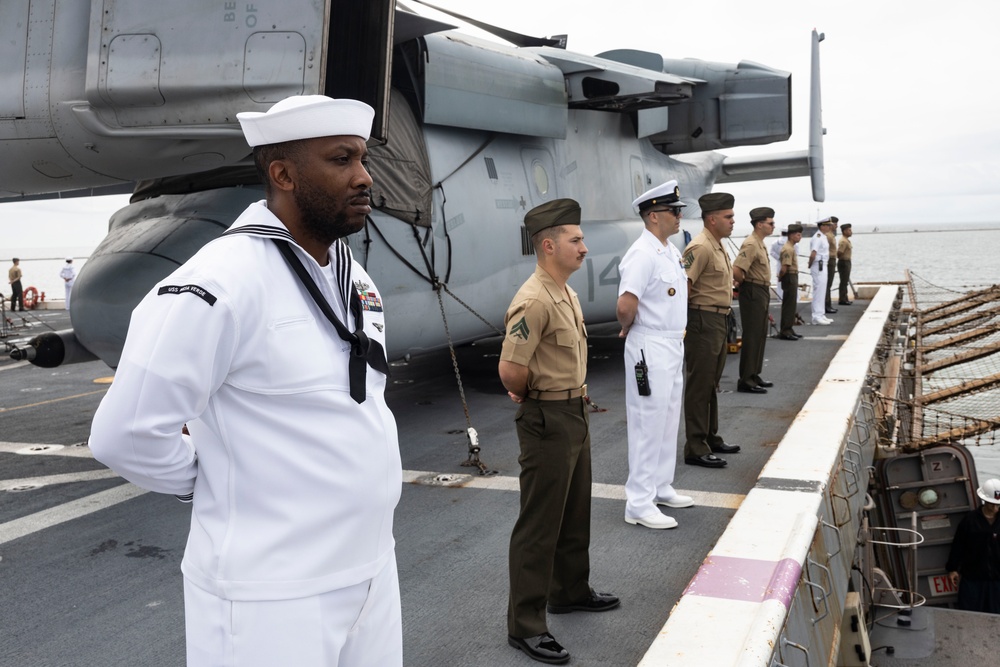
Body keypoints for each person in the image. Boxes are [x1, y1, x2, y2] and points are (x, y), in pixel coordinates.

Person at [89, 95, 403, 667]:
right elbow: (126, 433)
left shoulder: (349, 274)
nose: (364, 177)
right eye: (341, 160)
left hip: (371, 570)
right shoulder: (219, 281)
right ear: (282, 174)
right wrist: (218, 484)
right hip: (270, 596)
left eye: (362, 158)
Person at [499, 198, 619, 664]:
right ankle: (525, 625)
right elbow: (511, 371)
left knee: (573, 511)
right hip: (548, 418)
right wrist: (537, 396)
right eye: (576, 240)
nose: (585, 248)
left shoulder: (563, 291)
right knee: (539, 523)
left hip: (574, 411)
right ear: (549, 246)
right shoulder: (533, 298)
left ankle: (569, 590)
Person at [617, 180, 694, 530]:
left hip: (672, 343)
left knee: (667, 418)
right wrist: (628, 328)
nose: (679, 216)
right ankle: (639, 502)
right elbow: (625, 304)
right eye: (672, 211)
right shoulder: (642, 253)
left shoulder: (667, 250)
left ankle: (661, 486)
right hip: (649, 346)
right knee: (648, 421)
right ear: (652, 216)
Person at [682, 192, 741, 469]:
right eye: (728, 217)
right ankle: (695, 446)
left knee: (711, 384)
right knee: (699, 385)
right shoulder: (700, 247)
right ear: (712, 218)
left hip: (718, 320)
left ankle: (710, 437)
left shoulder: (717, 244)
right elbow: (685, 288)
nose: (732, 221)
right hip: (702, 321)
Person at [733, 207, 775, 394]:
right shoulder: (751, 243)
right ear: (760, 224)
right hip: (753, 290)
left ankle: (754, 374)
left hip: (761, 290)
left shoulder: (759, 242)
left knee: (760, 334)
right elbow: (737, 269)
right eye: (770, 223)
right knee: (752, 335)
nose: (773, 226)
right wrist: (744, 285)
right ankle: (746, 380)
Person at [946, 478, 1000, 613]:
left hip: (998, 580)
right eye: (991, 504)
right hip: (973, 578)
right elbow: (958, 545)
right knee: (970, 615)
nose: (995, 508)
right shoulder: (970, 520)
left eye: (998, 505)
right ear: (984, 500)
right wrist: (953, 568)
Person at [777, 224, 804, 340]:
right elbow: (784, 268)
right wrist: (780, 277)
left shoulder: (791, 247)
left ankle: (789, 328)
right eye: (798, 235)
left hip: (792, 276)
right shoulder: (787, 248)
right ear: (791, 235)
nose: (800, 237)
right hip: (789, 276)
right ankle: (785, 330)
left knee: (792, 305)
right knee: (789, 305)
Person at [808, 219, 833, 325]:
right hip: (818, 265)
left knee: (822, 289)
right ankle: (816, 316)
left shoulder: (823, 236)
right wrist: (810, 264)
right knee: (818, 290)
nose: (829, 227)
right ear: (822, 226)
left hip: (823, 264)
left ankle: (821, 314)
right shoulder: (817, 237)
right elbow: (813, 253)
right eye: (827, 225)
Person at [823, 216, 839, 315]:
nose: (836, 226)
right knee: (827, 284)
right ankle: (826, 305)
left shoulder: (831, 235)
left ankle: (828, 304)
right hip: (829, 260)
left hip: (832, 259)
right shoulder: (828, 236)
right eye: (835, 224)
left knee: (829, 284)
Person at [837, 222, 854, 305]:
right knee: (843, 281)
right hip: (844, 262)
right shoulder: (843, 241)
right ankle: (842, 299)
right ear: (844, 231)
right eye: (849, 230)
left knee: (845, 280)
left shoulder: (846, 240)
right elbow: (839, 252)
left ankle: (845, 297)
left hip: (847, 261)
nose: (851, 232)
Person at [769, 230, 787, 300]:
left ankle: (780, 297)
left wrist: (779, 258)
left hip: (779, 262)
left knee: (779, 281)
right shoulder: (791, 242)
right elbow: (796, 253)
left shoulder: (775, 242)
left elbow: (771, 252)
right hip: (790, 263)